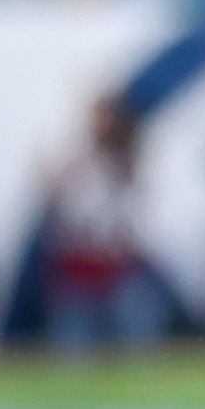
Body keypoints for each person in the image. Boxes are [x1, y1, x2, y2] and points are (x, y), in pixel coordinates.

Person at [34, 93, 165, 351]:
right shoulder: (77, 161)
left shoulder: (126, 161)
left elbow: (132, 216)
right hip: (77, 275)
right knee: (75, 352)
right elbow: (56, 193)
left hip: (118, 273)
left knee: (135, 344)